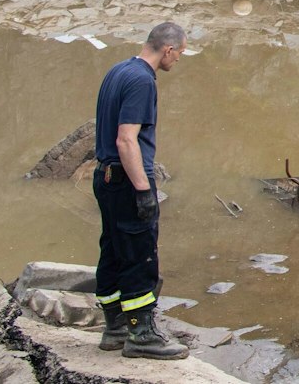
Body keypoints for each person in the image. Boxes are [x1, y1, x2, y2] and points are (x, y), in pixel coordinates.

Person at [91, 22, 187, 359]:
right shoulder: (143, 81)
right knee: (139, 254)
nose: (177, 62)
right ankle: (141, 336)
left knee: (113, 249)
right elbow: (126, 138)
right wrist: (144, 190)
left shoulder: (118, 70)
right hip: (126, 179)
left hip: (104, 176)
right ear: (168, 49)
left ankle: (114, 328)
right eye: (179, 55)